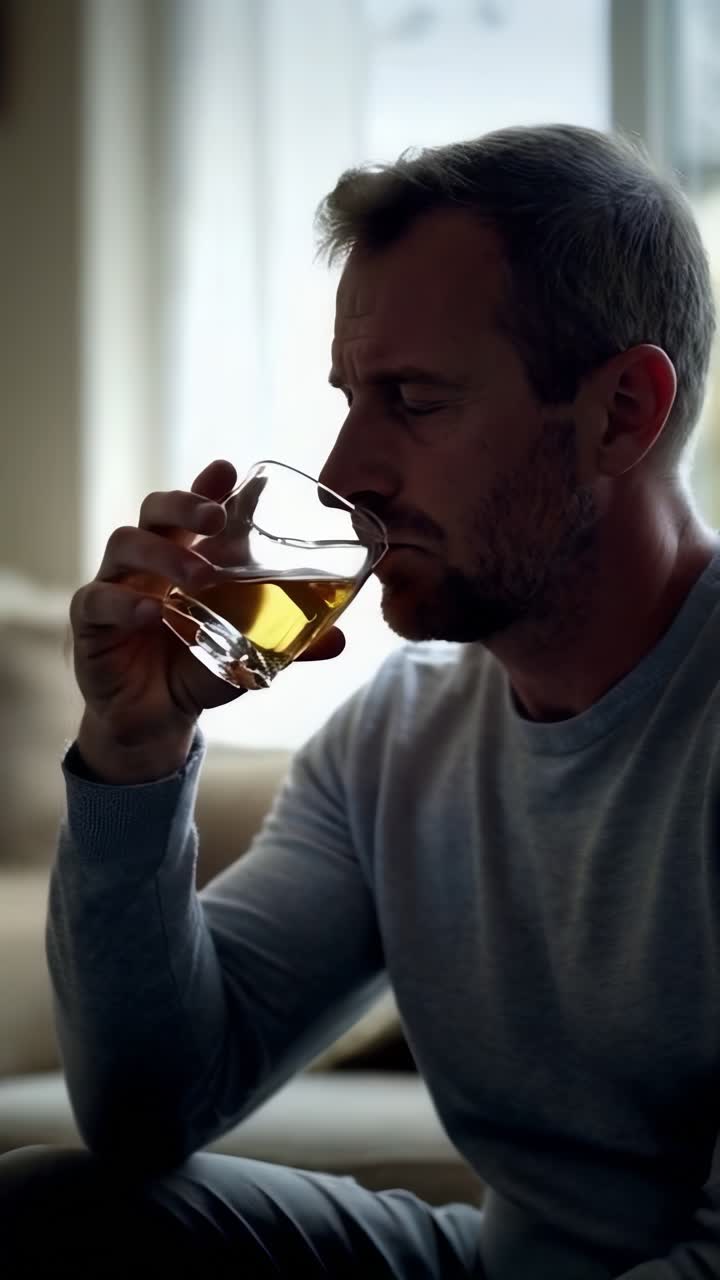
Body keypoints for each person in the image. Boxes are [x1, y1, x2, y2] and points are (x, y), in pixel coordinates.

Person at [1, 122, 719, 1279]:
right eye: (349, 394)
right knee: (54, 1209)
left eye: (414, 399)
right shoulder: (399, 736)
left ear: (622, 413)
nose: (345, 472)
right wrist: (134, 746)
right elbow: (147, 1109)